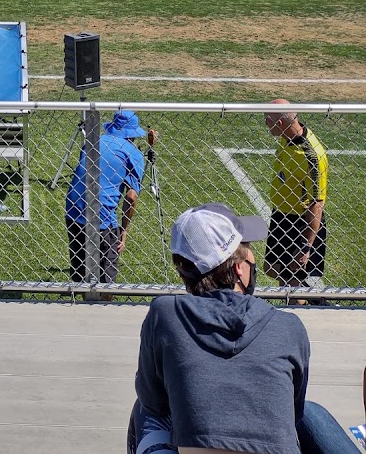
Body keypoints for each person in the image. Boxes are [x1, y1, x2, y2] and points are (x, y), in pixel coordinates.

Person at [128, 202, 354, 454]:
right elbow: (293, 412)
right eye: (247, 250)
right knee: (311, 413)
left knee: (144, 408)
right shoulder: (289, 326)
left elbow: (153, 400)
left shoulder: (164, 314)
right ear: (238, 268)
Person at [64, 109, 145, 284]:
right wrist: (122, 232)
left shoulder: (92, 141)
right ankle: (103, 304)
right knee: (106, 278)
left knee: (81, 273)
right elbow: (131, 197)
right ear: (133, 134)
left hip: (73, 208)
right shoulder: (134, 154)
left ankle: (83, 304)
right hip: (103, 215)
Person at [264, 99, 328, 295]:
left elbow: (317, 205)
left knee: (292, 284)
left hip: (301, 222)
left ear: (280, 124)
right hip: (281, 215)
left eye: (267, 119)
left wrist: (305, 246)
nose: (265, 123)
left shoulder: (311, 156)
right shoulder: (287, 136)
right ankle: (309, 294)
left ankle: (303, 304)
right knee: (271, 268)